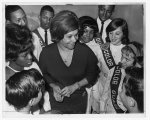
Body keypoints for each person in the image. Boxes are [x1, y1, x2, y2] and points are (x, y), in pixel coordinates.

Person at [39, 10, 99, 114]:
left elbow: (92, 75)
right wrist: (53, 87)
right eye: (69, 36)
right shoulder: (46, 53)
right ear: (58, 35)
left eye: (76, 35)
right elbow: (44, 74)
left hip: (79, 100)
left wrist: (75, 86)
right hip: (56, 101)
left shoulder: (85, 51)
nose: (75, 39)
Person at [5, 23, 50, 114]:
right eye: (25, 55)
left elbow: (42, 98)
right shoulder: (6, 81)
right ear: (12, 56)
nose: (30, 57)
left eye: (30, 51)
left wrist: (43, 112)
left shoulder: (34, 66)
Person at [90, 18, 129, 113]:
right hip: (101, 87)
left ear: (123, 34)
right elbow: (94, 68)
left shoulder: (128, 52)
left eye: (117, 33)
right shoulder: (101, 49)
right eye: (110, 33)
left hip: (118, 92)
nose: (113, 37)